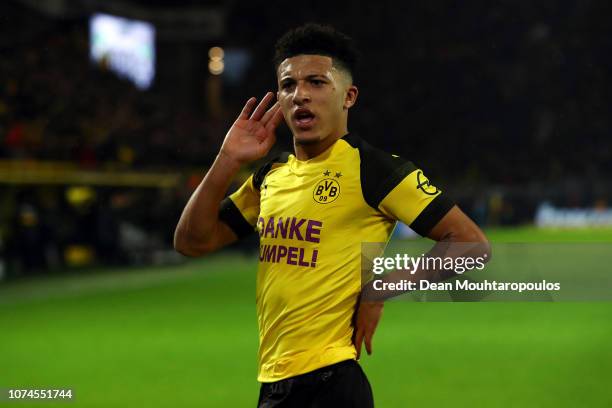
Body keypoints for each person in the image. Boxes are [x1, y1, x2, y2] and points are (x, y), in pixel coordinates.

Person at [174, 23, 490, 407]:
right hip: (275, 382)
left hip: (330, 384)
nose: (300, 95)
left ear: (349, 96)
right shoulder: (271, 176)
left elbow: (471, 244)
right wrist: (226, 160)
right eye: (288, 86)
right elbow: (192, 242)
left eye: (317, 83)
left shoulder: (374, 170)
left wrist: (381, 287)